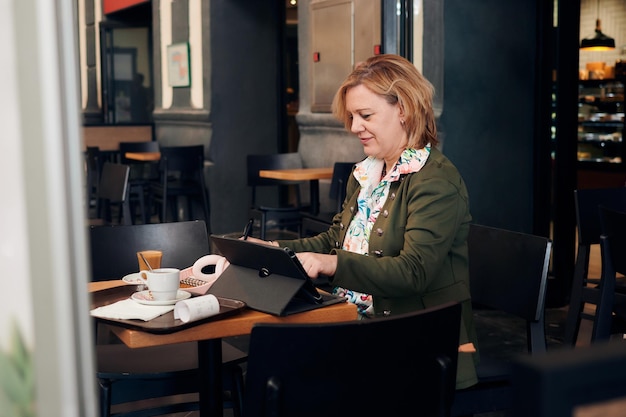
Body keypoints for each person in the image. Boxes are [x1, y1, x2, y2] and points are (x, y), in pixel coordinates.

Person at [248, 54, 478, 389]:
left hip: (419, 345)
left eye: (365, 115)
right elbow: (333, 241)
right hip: (358, 327)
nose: (355, 127)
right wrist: (270, 249)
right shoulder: (369, 171)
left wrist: (329, 264)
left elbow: (413, 273)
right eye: (353, 116)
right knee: (272, 373)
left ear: (403, 109)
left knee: (281, 377)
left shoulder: (435, 181)